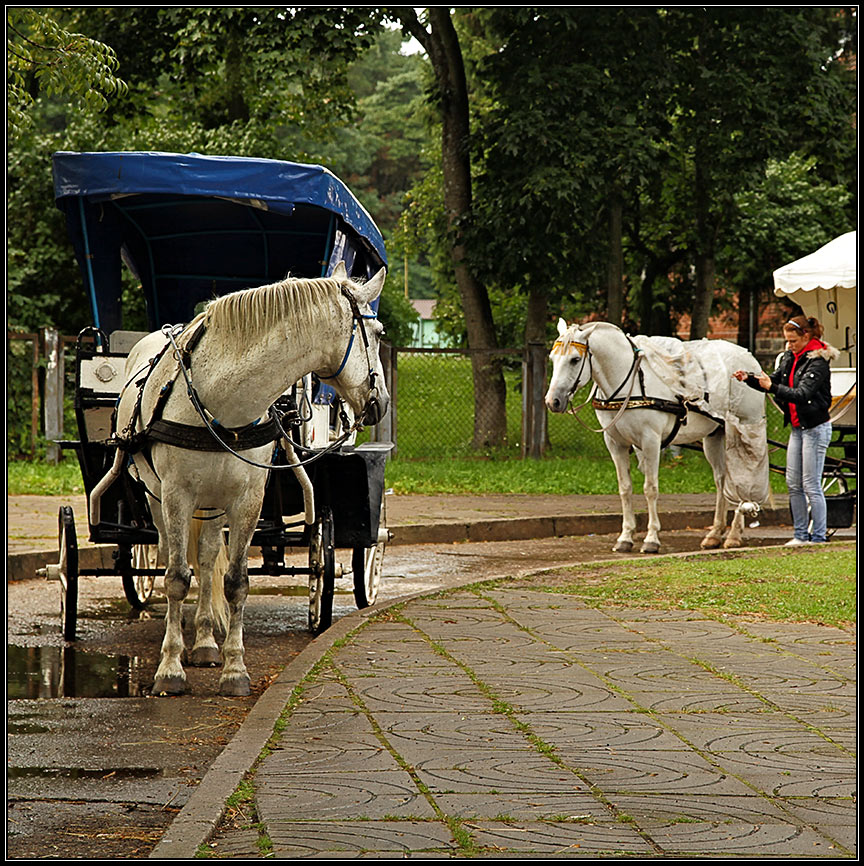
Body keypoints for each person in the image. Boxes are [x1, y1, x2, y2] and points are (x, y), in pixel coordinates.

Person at [733, 315, 837, 545]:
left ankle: (818, 536)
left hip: (815, 428)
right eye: (787, 341)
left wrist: (773, 387)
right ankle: (800, 535)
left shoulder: (818, 361)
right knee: (793, 482)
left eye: (793, 341)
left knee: (811, 483)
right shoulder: (792, 357)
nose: (789, 345)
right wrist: (749, 379)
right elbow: (773, 380)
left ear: (806, 337)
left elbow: (802, 394)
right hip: (798, 428)